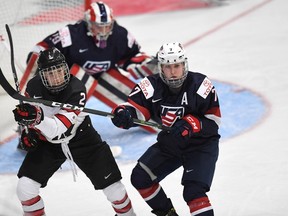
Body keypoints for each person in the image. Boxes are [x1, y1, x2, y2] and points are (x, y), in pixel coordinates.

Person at [16, 1, 157, 151]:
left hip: (103, 75)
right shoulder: (71, 34)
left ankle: (160, 118)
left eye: (107, 26)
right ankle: (33, 132)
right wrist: (39, 69)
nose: (103, 31)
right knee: (75, 88)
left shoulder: (121, 35)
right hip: (70, 81)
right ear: (88, 23)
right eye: (98, 26)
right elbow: (40, 49)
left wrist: (152, 64)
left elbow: (133, 57)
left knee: (140, 107)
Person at [12, 47, 136, 216]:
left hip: (83, 139)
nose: (56, 77)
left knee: (115, 189)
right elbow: (31, 119)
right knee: (25, 188)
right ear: (42, 75)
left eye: (59, 70)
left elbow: (57, 129)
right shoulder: (33, 87)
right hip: (48, 144)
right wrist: (28, 131)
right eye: (50, 73)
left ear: (65, 69)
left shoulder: (76, 89)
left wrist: (35, 118)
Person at [111, 42, 221, 216]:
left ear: (184, 64)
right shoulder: (150, 85)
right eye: (168, 67)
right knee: (141, 177)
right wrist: (124, 113)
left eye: (177, 65)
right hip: (172, 143)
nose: (173, 71)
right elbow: (134, 108)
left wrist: (191, 123)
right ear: (160, 67)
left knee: (194, 192)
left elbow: (213, 124)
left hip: (200, 146)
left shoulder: (201, 85)